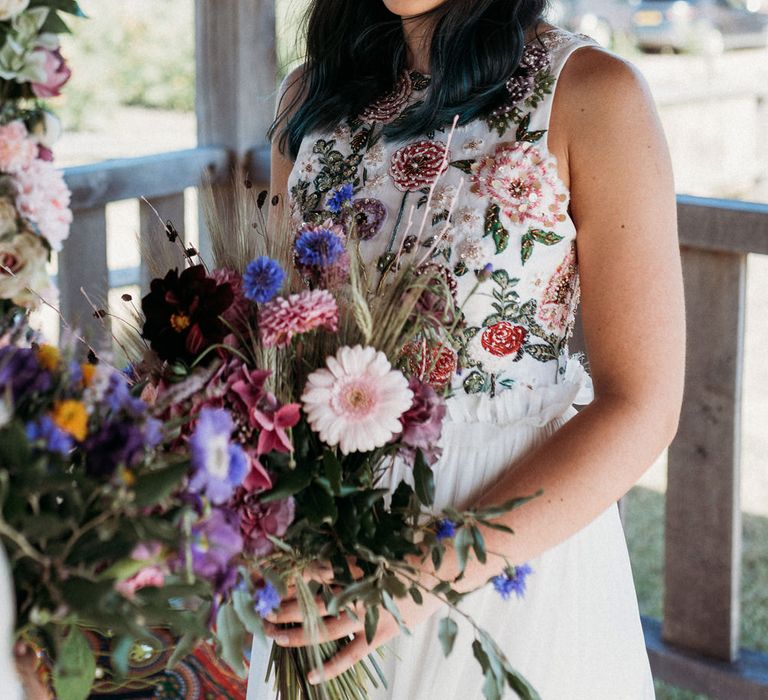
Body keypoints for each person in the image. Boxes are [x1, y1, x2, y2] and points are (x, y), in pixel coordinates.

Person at [248, 1, 684, 698]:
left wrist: (418, 576)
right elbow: (280, 346)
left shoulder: (591, 94)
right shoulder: (309, 97)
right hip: (324, 557)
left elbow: (643, 407)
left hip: (508, 561)